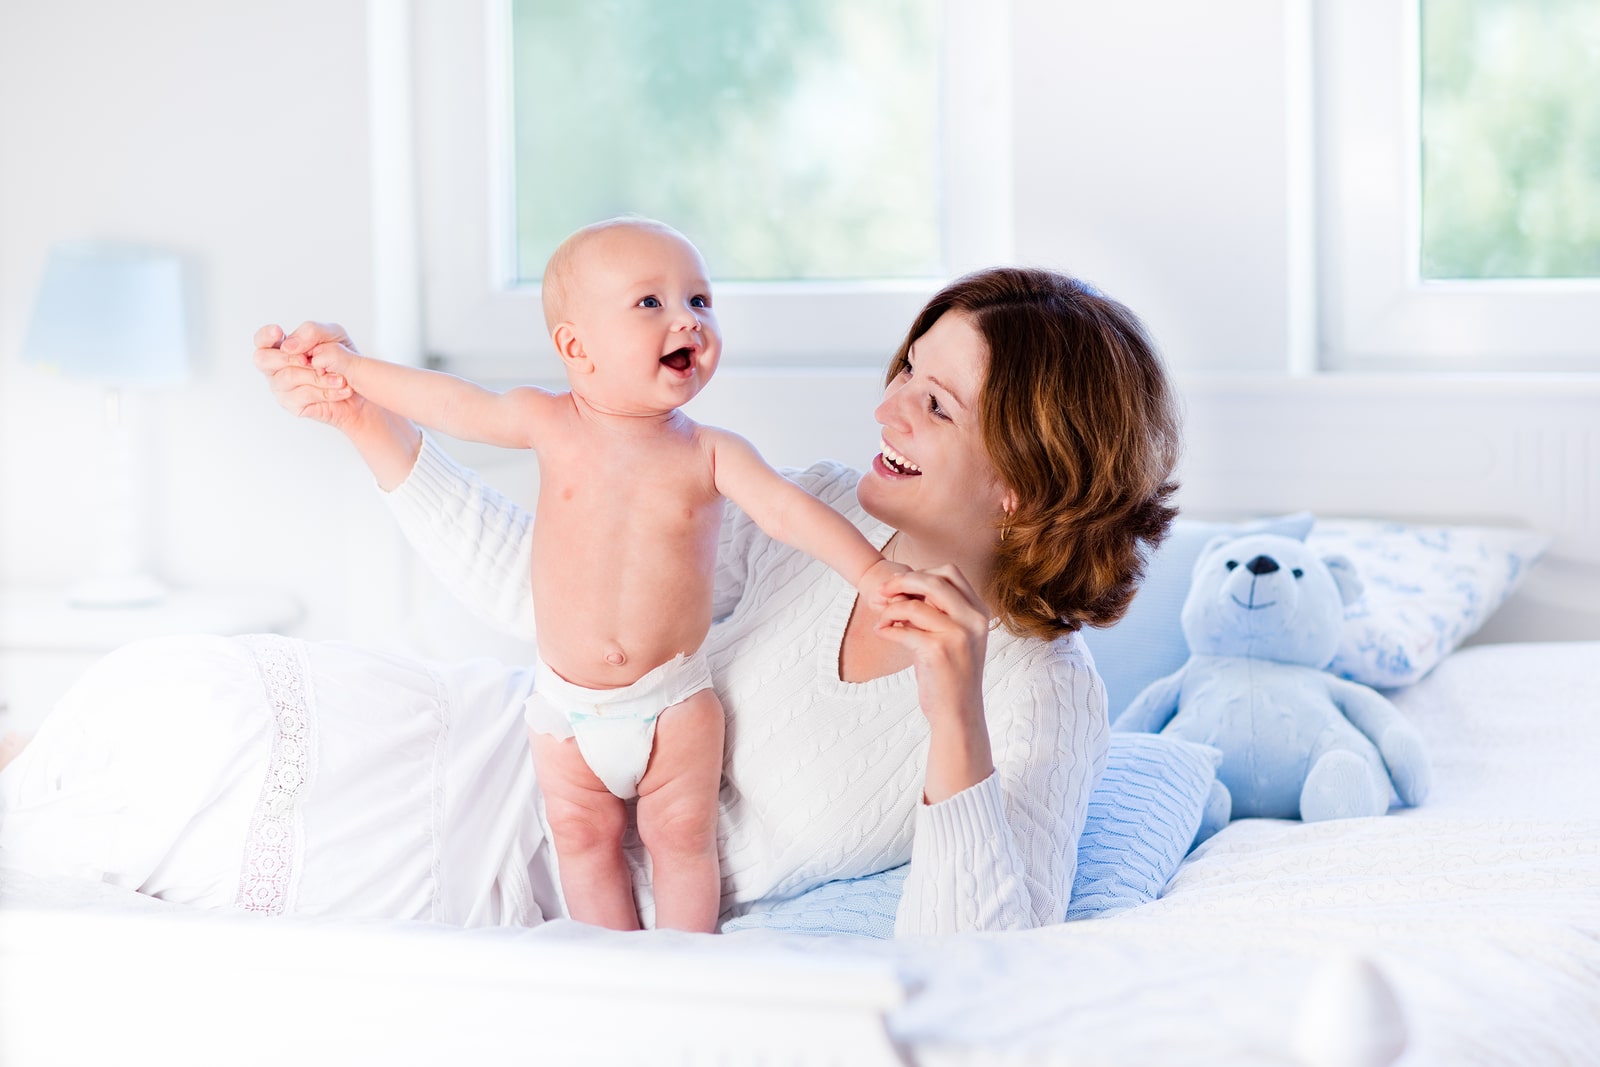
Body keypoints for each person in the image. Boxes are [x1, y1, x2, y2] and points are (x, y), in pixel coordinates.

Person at [0, 266, 1180, 936]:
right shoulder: (816, 511)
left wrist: (952, 723)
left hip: (497, 871)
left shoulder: (1040, 696)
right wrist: (368, 416)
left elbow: (979, 964)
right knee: (159, 713)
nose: (886, 412)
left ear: (1025, 482)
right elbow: (554, 600)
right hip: (482, 742)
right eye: (903, 376)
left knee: (125, 808)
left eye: (934, 406)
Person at [292, 217, 900, 933]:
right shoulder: (549, 422)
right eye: (651, 303)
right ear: (576, 348)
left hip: (673, 703)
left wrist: (871, 572)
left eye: (700, 301)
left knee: (682, 840)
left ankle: (684, 966)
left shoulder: (710, 451)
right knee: (581, 843)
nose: (688, 320)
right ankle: (610, 965)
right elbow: (451, 404)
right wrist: (351, 371)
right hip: (564, 712)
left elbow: (788, 514)